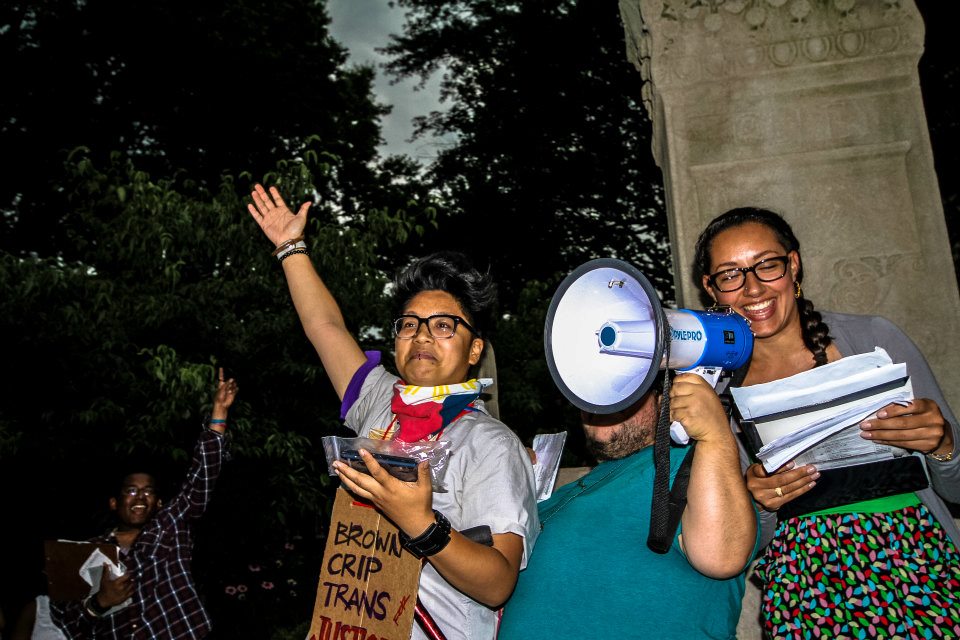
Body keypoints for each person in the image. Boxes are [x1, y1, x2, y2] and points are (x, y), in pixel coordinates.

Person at [246, 184, 539, 640]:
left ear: (474, 348)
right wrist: (290, 246)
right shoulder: (381, 400)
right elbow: (324, 327)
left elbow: (499, 583)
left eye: (444, 326)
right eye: (409, 325)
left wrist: (421, 524)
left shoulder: (490, 444)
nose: (422, 336)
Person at [694, 206, 960, 638]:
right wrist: (759, 502)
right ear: (712, 288)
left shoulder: (874, 339)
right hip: (808, 588)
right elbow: (748, 545)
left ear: (793, 265)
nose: (752, 288)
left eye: (767, 265)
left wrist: (945, 444)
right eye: (730, 274)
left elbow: (957, 487)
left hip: (918, 565)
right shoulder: (716, 393)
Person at [498, 371, 758, 638]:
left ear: (664, 397)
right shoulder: (563, 494)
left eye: (624, 387)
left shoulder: (690, 465)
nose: (602, 400)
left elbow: (723, 556)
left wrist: (715, 437)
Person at [13, 369, 238, 640]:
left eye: (148, 492)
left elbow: (201, 478)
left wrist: (218, 414)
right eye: (131, 491)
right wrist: (100, 602)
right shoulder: (84, 555)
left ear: (158, 503)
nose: (140, 497)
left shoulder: (169, 527)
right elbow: (68, 626)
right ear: (114, 502)